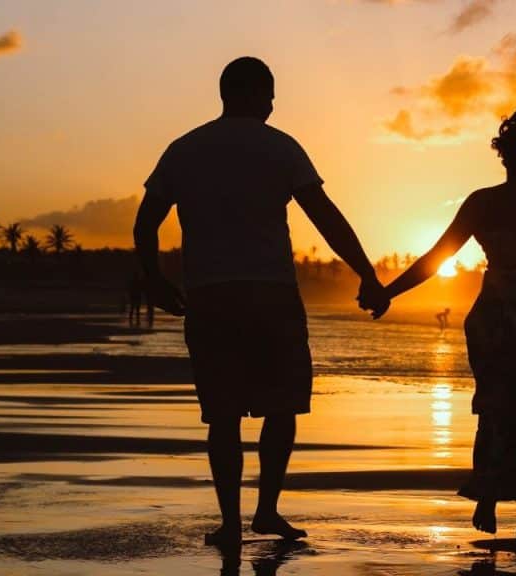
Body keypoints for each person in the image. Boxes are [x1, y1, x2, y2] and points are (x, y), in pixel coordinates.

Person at [134, 56, 389, 548]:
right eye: (270, 94)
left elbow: (146, 223)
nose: (273, 104)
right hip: (271, 295)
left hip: (210, 296)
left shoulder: (184, 149)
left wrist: (155, 280)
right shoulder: (281, 148)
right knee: (282, 406)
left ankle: (231, 524)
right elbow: (326, 219)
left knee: (223, 415)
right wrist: (367, 273)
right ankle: (267, 510)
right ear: (259, 95)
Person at [362, 106, 516, 545]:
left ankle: (487, 498)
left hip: (497, 321)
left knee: (496, 408)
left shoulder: (484, 201)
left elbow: (435, 259)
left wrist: (387, 293)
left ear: (504, 154)